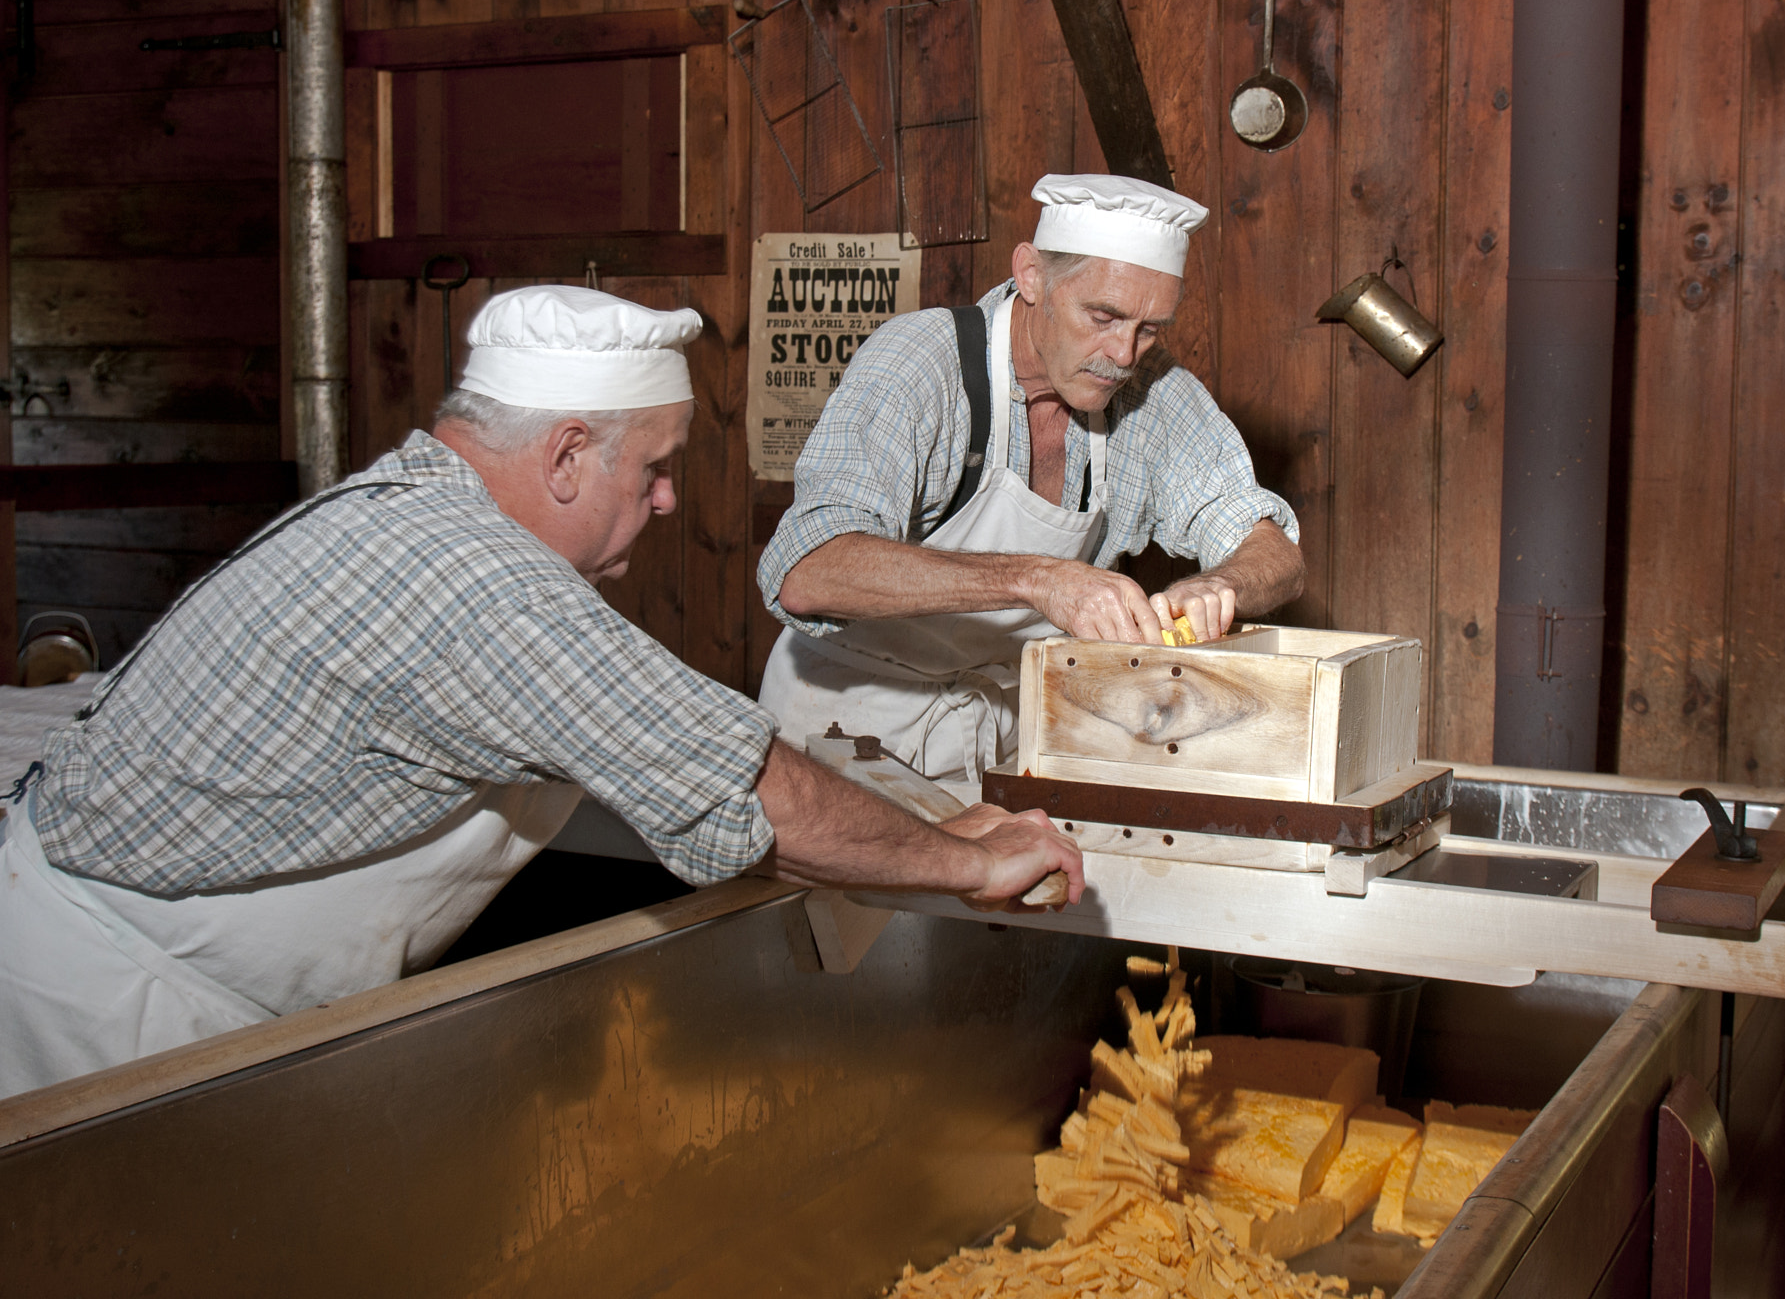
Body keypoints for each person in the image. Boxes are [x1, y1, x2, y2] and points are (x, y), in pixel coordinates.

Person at [0, 285, 1080, 1100]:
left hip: (154, 973)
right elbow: (754, 796)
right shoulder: (479, 584)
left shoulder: (419, 499)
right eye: (653, 468)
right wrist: (971, 860)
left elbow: (644, 738)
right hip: (108, 1009)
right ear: (566, 454)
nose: (664, 502)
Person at [757, 174, 1306, 781]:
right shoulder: (922, 362)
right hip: (846, 731)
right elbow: (808, 571)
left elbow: (1274, 552)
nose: (1123, 354)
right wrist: (1038, 580)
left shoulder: (1154, 395)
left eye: (1149, 330)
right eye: (1102, 315)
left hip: (1009, 736)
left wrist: (1217, 584)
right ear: (1032, 275)